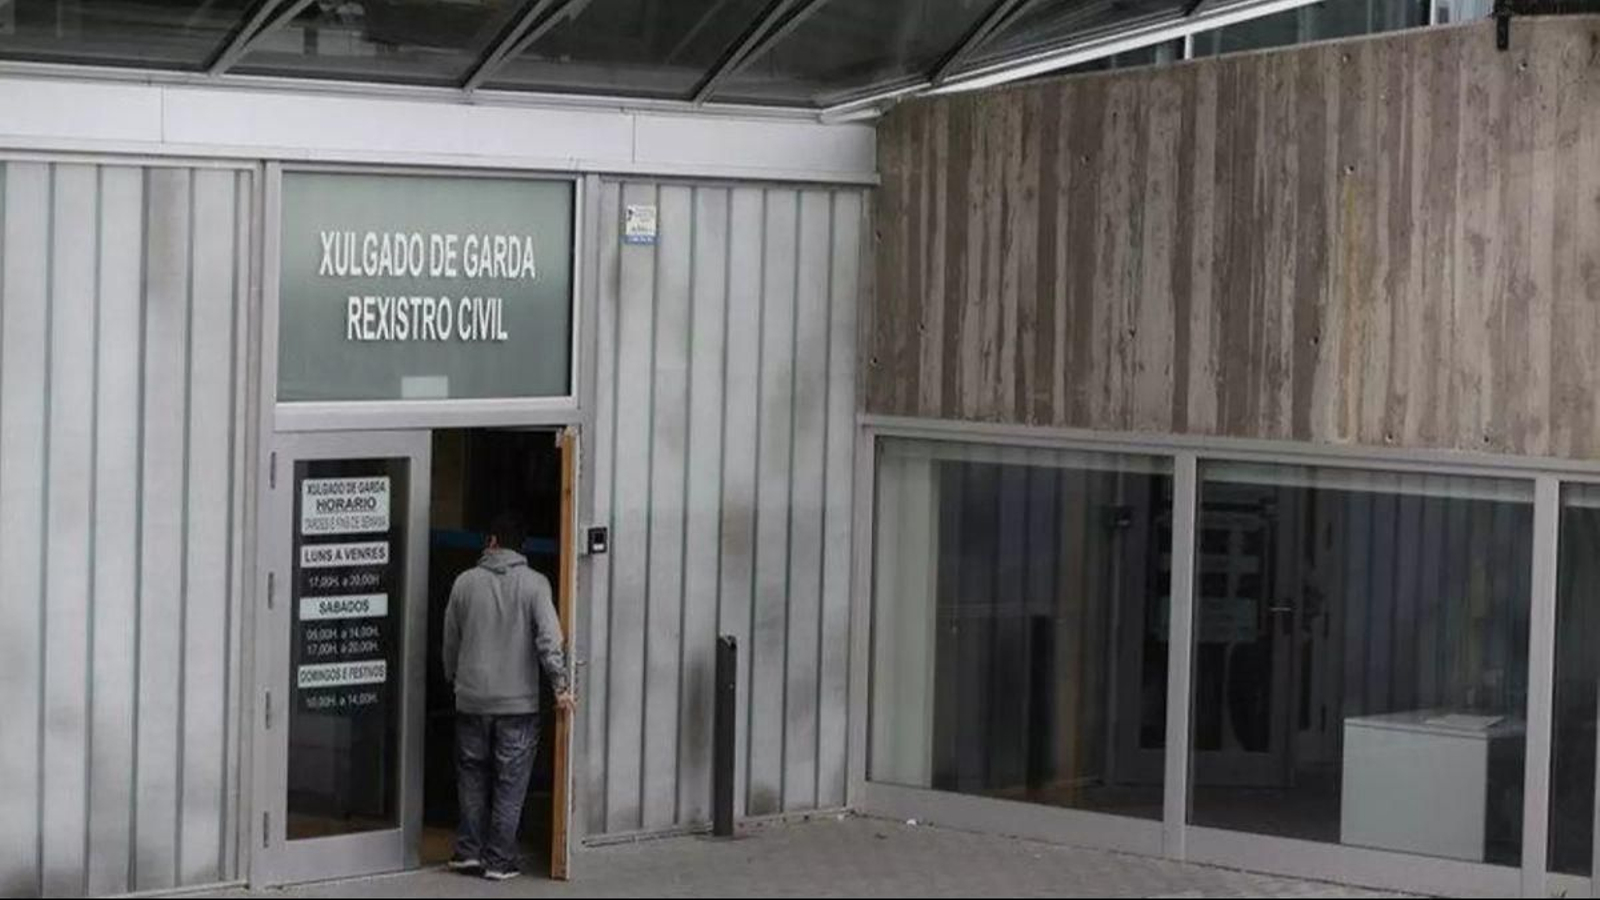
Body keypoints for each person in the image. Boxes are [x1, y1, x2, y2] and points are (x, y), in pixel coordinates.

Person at [442, 511, 575, 881]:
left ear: (492, 541)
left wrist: (452, 678)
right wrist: (561, 688)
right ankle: (499, 860)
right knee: (510, 781)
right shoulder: (536, 585)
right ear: (523, 547)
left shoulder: (464, 582)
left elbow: (450, 640)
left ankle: (468, 852)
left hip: (470, 699)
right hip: (518, 704)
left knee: (471, 776)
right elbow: (550, 641)